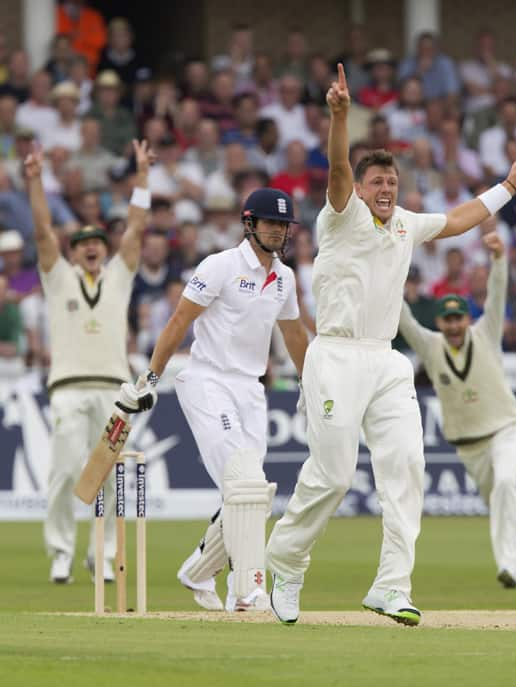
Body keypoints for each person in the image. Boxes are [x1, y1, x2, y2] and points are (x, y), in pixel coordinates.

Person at [265, 63, 516, 626]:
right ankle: (288, 562)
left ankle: (392, 585)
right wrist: (340, 116)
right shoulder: (339, 218)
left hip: (386, 359)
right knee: (336, 474)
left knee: (406, 466)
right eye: (378, 184)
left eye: (392, 183)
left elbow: (462, 218)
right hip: (336, 354)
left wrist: (509, 186)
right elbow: (340, 168)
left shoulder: (407, 224)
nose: (386, 189)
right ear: (360, 191)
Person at [116, 187, 309, 612]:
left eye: (284, 225)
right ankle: (247, 590)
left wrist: (312, 384)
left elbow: (293, 334)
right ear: (249, 223)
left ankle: (200, 570)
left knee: (251, 493)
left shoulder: (286, 278)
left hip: (250, 387)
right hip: (206, 380)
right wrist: (149, 377)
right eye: (270, 223)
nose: (278, 231)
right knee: (244, 481)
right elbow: (180, 319)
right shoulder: (220, 266)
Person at [25, 139, 153, 584]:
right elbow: (43, 232)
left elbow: (135, 230)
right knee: (63, 471)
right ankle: (61, 551)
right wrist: (36, 180)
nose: (92, 247)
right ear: (73, 252)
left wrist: (142, 177)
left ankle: (105, 553)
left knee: (114, 475)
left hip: (115, 392)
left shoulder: (118, 277)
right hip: (69, 388)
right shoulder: (58, 279)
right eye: (83, 244)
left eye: (98, 241)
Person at [398, 233, 516, 589]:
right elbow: (404, 320)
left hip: (508, 429)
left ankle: (509, 566)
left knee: (507, 484)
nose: (454, 326)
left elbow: (497, 297)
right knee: (502, 504)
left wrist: (498, 259)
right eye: (447, 321)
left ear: (466, 319)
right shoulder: (431, 347)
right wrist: (387, 277)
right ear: (441, 323)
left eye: (458, 319)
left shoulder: (486, 333)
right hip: (469, 446)